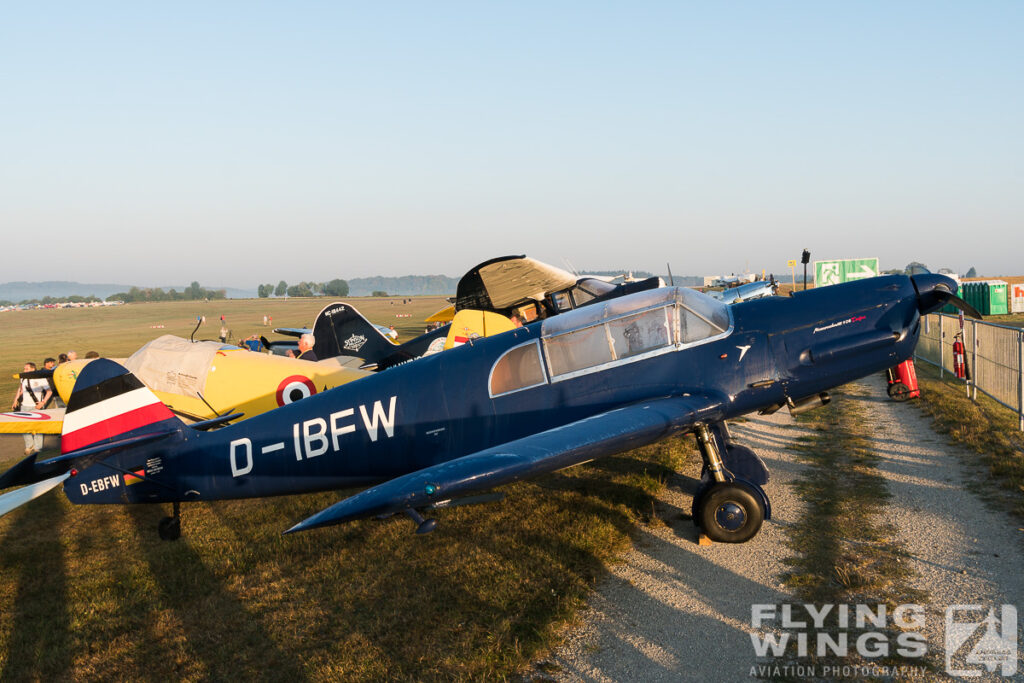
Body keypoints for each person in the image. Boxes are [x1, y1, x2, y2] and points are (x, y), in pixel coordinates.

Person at [12, 362, 51, 455]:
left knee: (37, 427)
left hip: (36, 406)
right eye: (24, 368)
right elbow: (20, 389)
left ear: (33, 369)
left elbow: (49, 391)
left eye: (26, 369)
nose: (24, 370)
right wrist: (15, 400)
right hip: (24, 406)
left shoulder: (41, 378)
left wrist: (43, 403)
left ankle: (38, 448)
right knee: (24, 427)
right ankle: (29, 445)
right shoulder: (23, 377)